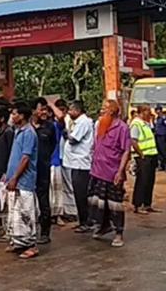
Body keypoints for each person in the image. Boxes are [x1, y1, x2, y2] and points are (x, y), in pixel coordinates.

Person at [86, 99, 130, 248]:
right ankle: (103, 226)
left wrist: (120, 171)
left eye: (105, 108)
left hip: (112, 173)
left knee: (115, 205)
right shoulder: (100, 125)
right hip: (97, 171)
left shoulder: (122, 128)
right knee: (97, 202)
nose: (102, 110)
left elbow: (126, 151)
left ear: (112, 110)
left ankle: (119, 233)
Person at [5, 102, 40, 259]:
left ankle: (32, 245)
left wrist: (15, 177)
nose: (12, 116)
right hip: (15, 178)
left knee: (26, 212)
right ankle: (19, 241)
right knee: (15, 212)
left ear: (22, 115)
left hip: (24, 180)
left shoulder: (28, 133)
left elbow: (26, 158)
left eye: (14, 113)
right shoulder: (18, 131)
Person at [62, 100, 95, 233]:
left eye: (71, 110)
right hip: (75, 162)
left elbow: (73, 139)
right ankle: (83, 220)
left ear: (77, 110)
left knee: (81, 194)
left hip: (81, 163)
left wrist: (66, 133)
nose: (69, 113)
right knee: (78, 193)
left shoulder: (83, 122)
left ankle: (87, 221)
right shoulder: (77, 122)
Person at [32, 97, 57, 245]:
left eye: (45, 110)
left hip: (43, 169)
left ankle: (45, 232)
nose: (44, 113)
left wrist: (45, 158)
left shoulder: (50, 127)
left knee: (43, 201)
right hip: (28, 170)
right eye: (41, 109)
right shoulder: (26, 127)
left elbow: (52, 144)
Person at [50, 99, 77, 226]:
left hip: (59, 160)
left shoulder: (59, 124)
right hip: (49, 162)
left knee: (60, 189)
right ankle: (52, 215)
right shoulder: (44, 126)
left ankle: (62, 213)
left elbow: (60, 117)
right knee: (51, 191)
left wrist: (50, 104)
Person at [130, 105, 160, 214]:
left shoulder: (145, 123)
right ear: (142, 112)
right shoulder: (136, 124)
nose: (150, 114)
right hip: (143, 157)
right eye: (148, 111)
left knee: (150, 181)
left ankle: (147, 204)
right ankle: (138, 205)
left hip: (151, 155)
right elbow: (133, 141)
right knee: (142, 181)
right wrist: (141, 154)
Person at [0, 107, 14, 234]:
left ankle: (9, 228)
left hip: (5, 170)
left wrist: (7, 171)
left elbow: (11, 152)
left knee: (6, 201)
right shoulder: (2, 131)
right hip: (0, 169)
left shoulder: (8, 132)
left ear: (2, 118)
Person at [155, 106, 166, 171]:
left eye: (158, 110)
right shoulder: (157, 118)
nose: (157, 111)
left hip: (162, 136)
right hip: (158, 136)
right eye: (156, 110)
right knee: (159, 152)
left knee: (163, 150)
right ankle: (162, 165)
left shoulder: (163, 118)